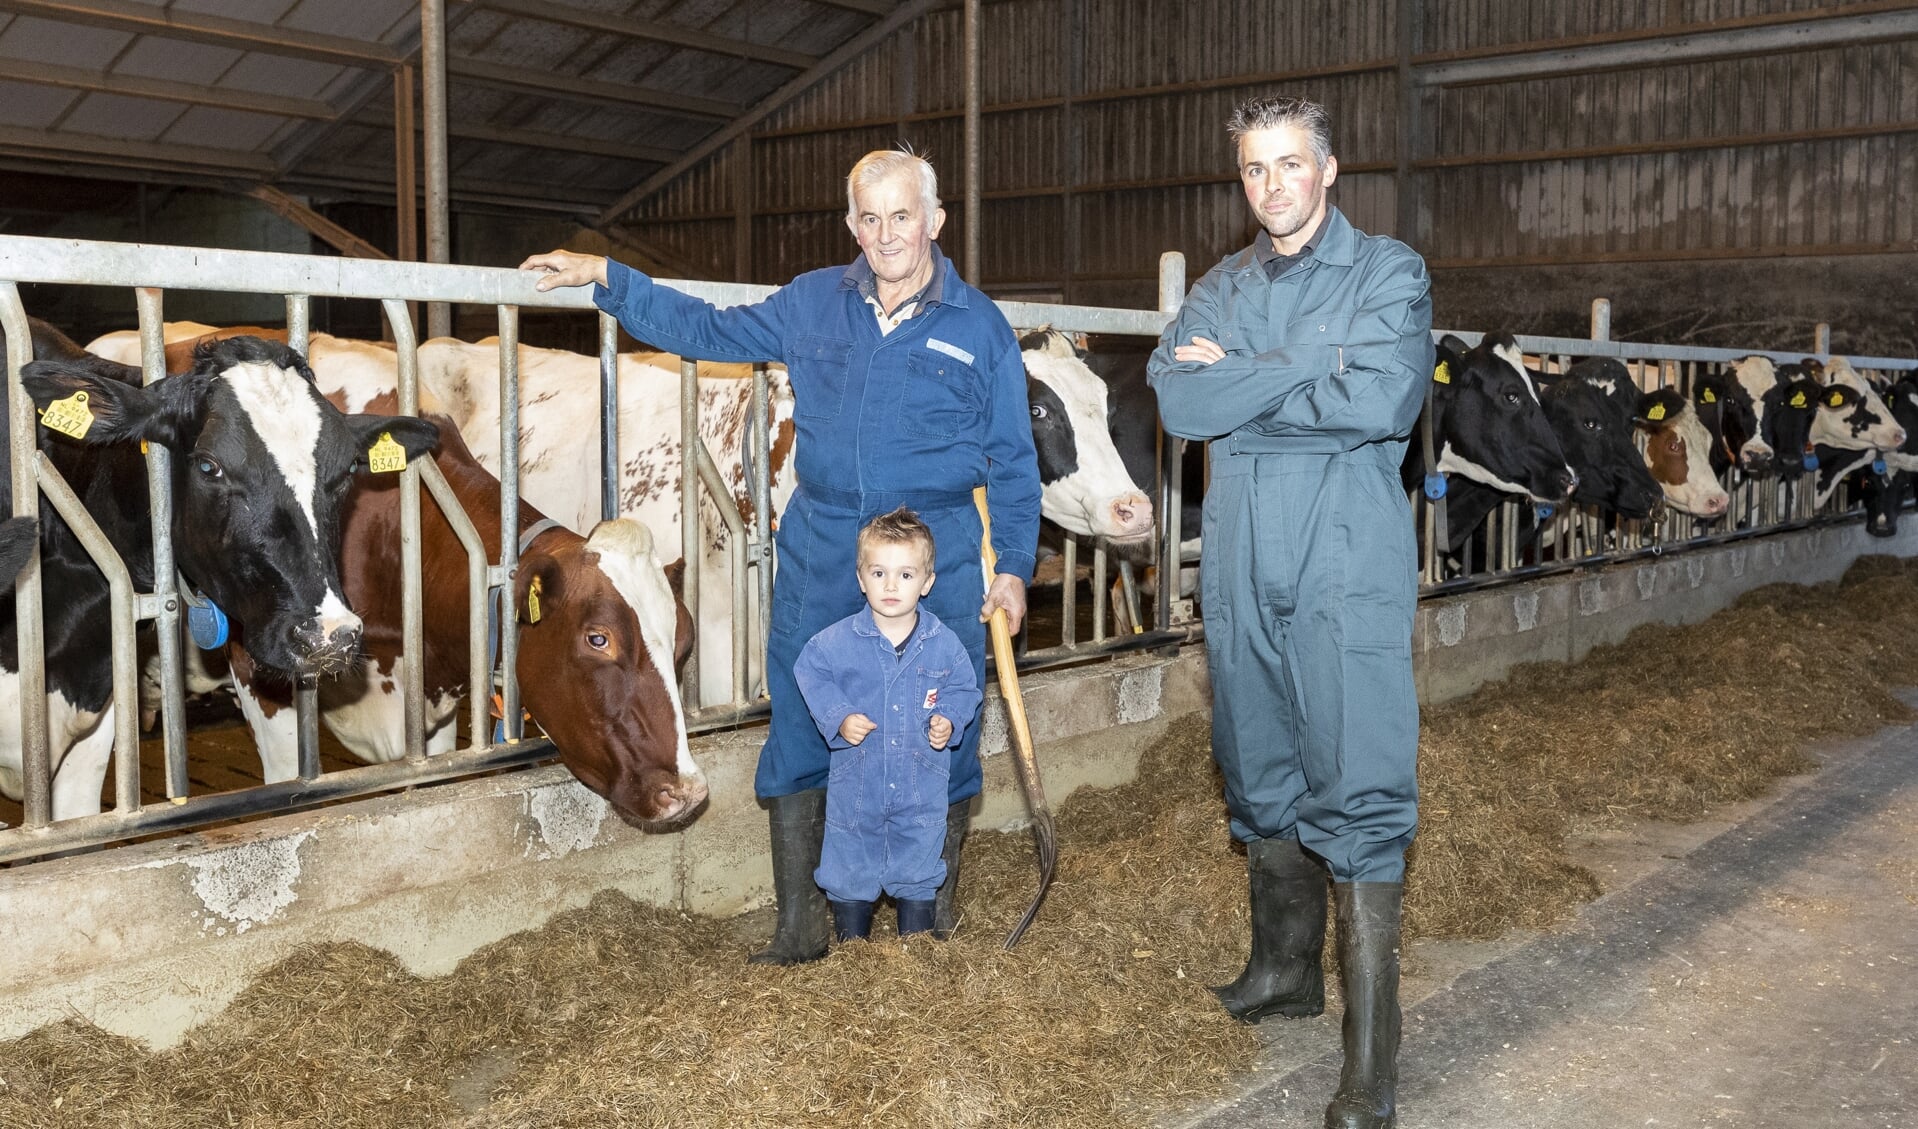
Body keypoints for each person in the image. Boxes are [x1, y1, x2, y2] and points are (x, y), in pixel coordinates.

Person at [520, 148, 1041, 965]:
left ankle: (930, 926)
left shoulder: (980, 329)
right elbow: (703, 329)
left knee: (940, 724)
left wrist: (1011, 567)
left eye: (901, 216)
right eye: (868, 218)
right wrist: (609, 277)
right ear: (850, 225)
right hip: (826, 543)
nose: (885, 235)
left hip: (935, 552)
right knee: (801, 713)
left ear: (935, 222)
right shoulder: (812, 304)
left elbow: (1013, 460)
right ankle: (800, 927)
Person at [1146, 95, 1432, 1129]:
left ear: (1328, 170)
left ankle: (1372, 1063)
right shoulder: (1220, 286)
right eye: (1253, 170)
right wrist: (1312, 364)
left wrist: (1251, 381)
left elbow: (1384, 404)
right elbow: (1177, 404)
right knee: (1257, 763)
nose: (1271, 185)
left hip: (1342, 559)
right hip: (1238, 560)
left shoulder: (1387, 271)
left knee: (1357, 780)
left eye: (1287, 165)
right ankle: (1283, 973)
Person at [792, 508, 983, 941]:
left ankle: (914, 956)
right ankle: (852, 950)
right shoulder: (836, 642)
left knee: (918, 861)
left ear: (927, 582)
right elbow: (810, 670)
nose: (891, 586)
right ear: (861, 578)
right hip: (858, 783)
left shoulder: (944, 645)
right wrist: (838, 717)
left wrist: (949, 720)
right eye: (879, 573)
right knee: (848, 861)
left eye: (905, 575)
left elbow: (964, 689)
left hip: (921, 786)